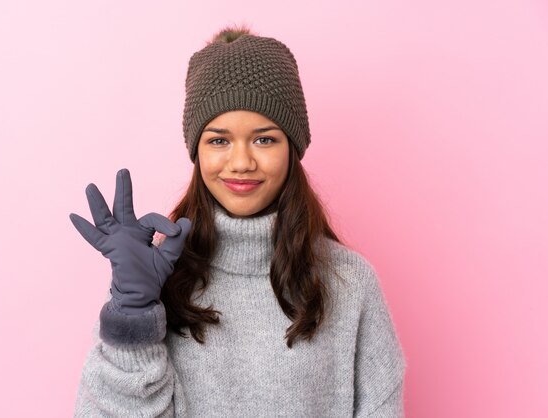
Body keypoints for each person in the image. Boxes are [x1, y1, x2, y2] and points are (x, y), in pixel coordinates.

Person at [70, 25, 407, 417]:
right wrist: (132, 318)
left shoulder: (350, 283)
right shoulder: (152, 277)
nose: (242, 162)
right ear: (197, 150)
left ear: (292, 148)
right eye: (218, 140)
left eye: (264, 139)